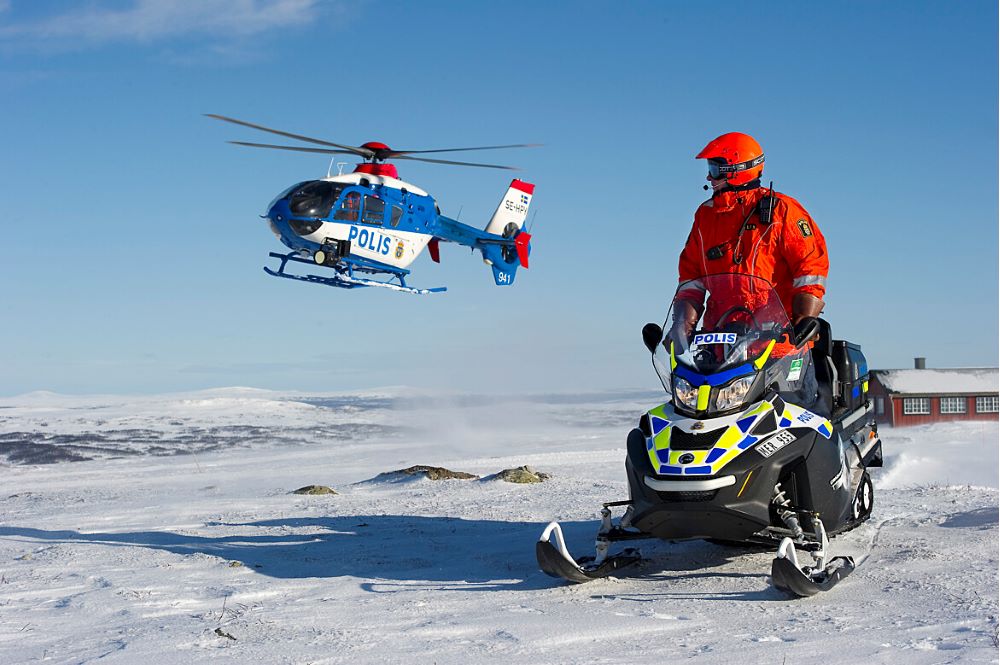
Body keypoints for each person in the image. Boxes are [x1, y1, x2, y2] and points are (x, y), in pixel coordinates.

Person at [675, 132, 830, 411]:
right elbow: (691, 277)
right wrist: (682, 324)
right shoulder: (705, 216)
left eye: (714, 168)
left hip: (777, 346)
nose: (709, 178)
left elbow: (811, 268)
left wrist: (803, 320)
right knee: (702, 419)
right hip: (720, 346)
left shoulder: (782, 210)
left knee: (798, 421)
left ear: (736, 169)